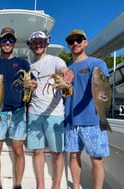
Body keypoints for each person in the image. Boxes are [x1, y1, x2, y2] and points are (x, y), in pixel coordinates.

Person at [0, 27, 37, 189]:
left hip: (18, 111)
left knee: (18, 150)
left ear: (15, 42)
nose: (7, 42)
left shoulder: (23, 63)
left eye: (10, 39)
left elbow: (31, 81)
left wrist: (33, 84)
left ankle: (17, 184)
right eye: (4, 39)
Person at [25, 31, 74, 189]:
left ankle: (56, 185)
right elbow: (27, 91)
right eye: (35, 42)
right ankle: (41, 185)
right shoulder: (29, 66)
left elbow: (65, 70)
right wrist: (29, 87)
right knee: (37, 151)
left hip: (55, 114)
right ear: (30, 45)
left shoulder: (56, 60)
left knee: (57, 153)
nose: (38, 44)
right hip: (34, 113)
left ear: (46, 43)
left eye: (41, 41)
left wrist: (68, 74)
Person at [64, 29, 110, 189]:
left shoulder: (97, 65)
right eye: (71, 41)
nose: (75, 43)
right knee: (73, 156)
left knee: (96, 159)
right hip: (71, 120)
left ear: (85, 42)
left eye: (79, 39)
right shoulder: (67, 69)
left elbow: (103, 90)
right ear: (68, 46)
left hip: (93, 120)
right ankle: (75, 187)